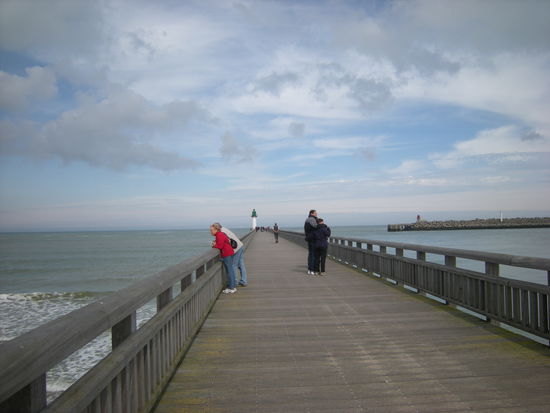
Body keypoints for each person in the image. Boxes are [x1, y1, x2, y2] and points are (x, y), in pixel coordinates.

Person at [210, 223, 237, 293]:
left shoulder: (219, 235)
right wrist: (216, 243)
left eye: (212, 230)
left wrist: (213, 245)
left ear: (216, 229)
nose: (211, 232)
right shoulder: (220, 234)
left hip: (227, 254)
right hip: (228, 253)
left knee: (229, 270)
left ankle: (231, 288)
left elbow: (220, 246)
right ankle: (232, 286)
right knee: (230, 270)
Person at [304, 209, 318, 275]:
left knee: (310, 254)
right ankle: (312, 270)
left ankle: (309, 269)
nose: (316, 214)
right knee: (313, 254)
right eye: (315, 213)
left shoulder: (307, 219)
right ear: (311, 213)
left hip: (309, 238)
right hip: (313, 239)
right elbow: (316, 226)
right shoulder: (312, 219)